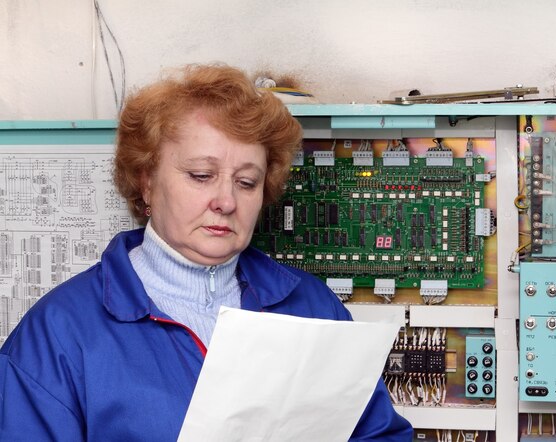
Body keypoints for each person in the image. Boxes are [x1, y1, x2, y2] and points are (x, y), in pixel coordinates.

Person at [0, 64, 412, 441]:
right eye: (201, 175)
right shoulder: (57, 334)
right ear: (146, 181)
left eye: (246, 182)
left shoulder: (314, 308)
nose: (226, 201)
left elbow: (378, 434)